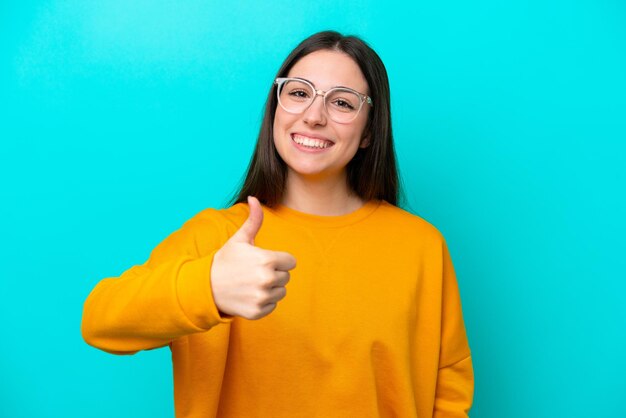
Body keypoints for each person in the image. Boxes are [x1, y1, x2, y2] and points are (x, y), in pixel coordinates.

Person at [82, 30, 474, 417]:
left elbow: (449, 389)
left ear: (370, 130)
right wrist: (209, 288)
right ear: (276, 108)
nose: (314, 116)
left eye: (342, 102)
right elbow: (100, 320)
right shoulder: (219, 237)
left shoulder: (420, 245)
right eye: (299, 93)